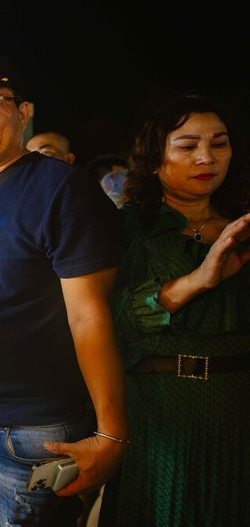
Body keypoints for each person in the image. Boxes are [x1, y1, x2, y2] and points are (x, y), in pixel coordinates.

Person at [0, 53, 127, 525]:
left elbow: (90, 315)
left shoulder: (62, 188)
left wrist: (112, 434)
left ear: (23, 111)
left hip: (30, 431)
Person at [99, 94, 250, 526]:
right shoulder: (127, 229)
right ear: (154, 157)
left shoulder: (244, 225)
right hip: (161, 412)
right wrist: (198, 280)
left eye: (219, 144)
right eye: (187, 146)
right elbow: (111, 325)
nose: (206, 157)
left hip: (239, 407)